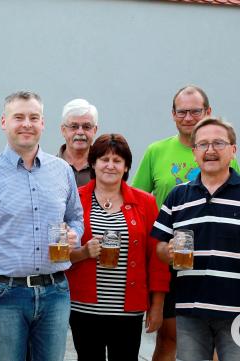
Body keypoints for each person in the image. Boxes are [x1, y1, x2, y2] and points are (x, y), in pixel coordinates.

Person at [0, 90, 84, 361]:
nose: (27, 124)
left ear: (43, 123)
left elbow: (76, 218)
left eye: (34, 117)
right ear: (4, 122)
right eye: (19, 117)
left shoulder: (62, 171)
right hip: (4, 296)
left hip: (55, 293)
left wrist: (74, 234)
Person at [151, 117, 240, 361]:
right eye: (203, 144)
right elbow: (160, 245)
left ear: (233, 150)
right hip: (190, 311)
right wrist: (166, 251)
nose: (210, 150)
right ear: (194, 153)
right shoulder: (178, 196)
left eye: (218, 143)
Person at [131, 85, 240, 361]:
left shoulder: (225, 154)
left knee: (215, 339)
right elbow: (138, 203)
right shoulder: (156, 151)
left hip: (213, 260)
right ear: (173, 114)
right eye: (182, 112)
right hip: (169, 258)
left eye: (195, 111)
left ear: (208, 112)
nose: (189, 117)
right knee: (169, 336)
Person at [66, 134, 170, 360]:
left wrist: (157, 305)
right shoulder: (75, 198)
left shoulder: (145, 202)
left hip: (128, 308)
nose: (110, 166)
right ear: (93, 164)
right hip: (83, 306)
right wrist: (84, 252)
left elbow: (156, 257)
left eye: (117, 161)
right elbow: (60, 250)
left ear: (126, 167)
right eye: (104, 159)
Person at [57, 98, 98, 187]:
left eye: (86, 126)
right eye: (74, 126)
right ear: (63, 130)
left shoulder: (104, 169)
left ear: (95, 130)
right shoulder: (50, 168)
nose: (80, 132)